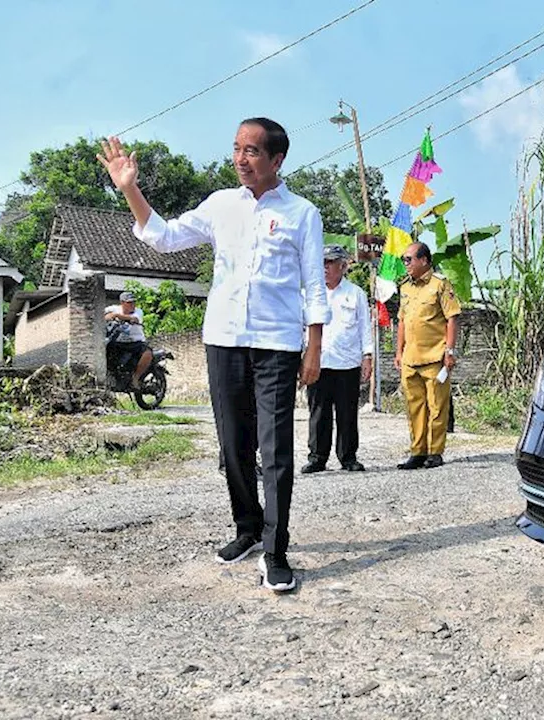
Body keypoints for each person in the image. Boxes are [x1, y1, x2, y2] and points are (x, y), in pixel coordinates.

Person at [98, 119, 327, 594]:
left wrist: (314, 349)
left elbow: (314, 286)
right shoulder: (221, 205)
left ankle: (275, 549)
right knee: (233, 444)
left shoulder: (303, 213)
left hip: (277, 345)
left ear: (277, 160)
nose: (241, 159)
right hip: (223, 338)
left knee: (276, 447)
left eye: (252, 151)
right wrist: (130, 189)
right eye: (237, 149)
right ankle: (248, 528)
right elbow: (163, 235)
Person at [302, 244, 372, 474]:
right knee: (318, 412)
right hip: (318, 363)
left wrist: (368, 356)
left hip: (347, 362)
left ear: (343, 266)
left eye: (330, 263)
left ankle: (348, 457)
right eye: (322, 262)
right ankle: (317, 458)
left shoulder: (356, 294)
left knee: (347, 413)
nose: (325, 267)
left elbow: (364, 328)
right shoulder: (309, 294)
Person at [394, 242, 460, 470]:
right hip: (410, 358)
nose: (406, 264)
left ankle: (435, 451)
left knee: (436, 406)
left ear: (424, 260)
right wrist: (398, 351)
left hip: (434, 357)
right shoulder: (405, 288)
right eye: (404, 260)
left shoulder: (439, 285)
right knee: (414, 407)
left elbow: (452, 317)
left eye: (409, 259)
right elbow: (402, 321)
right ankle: (417, 451)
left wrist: (449, 352)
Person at [104, 291, 153, 388]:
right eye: (129, 303)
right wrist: (107, 316)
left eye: (134, 302)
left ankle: (135, 378)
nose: (132, 305)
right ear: (122, 303)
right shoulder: (114, 309)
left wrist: (117, 316)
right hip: (119, 342)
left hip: (136, 343)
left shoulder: (138, 311)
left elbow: (135, 319)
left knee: (148, 353)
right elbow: (100, 312)